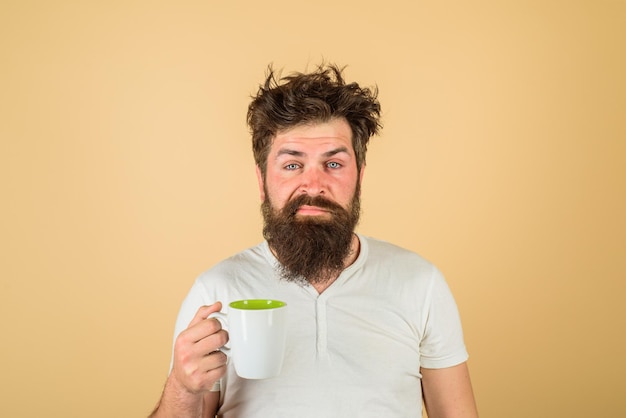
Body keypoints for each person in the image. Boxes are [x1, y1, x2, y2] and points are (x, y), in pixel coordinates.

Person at [150, 63, 478, 418]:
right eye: (292, 165)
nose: (314, 185)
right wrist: (182, 388)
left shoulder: (420, 283)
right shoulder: (215, 291)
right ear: (262, 181)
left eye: (334, 164)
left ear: (359, 178)